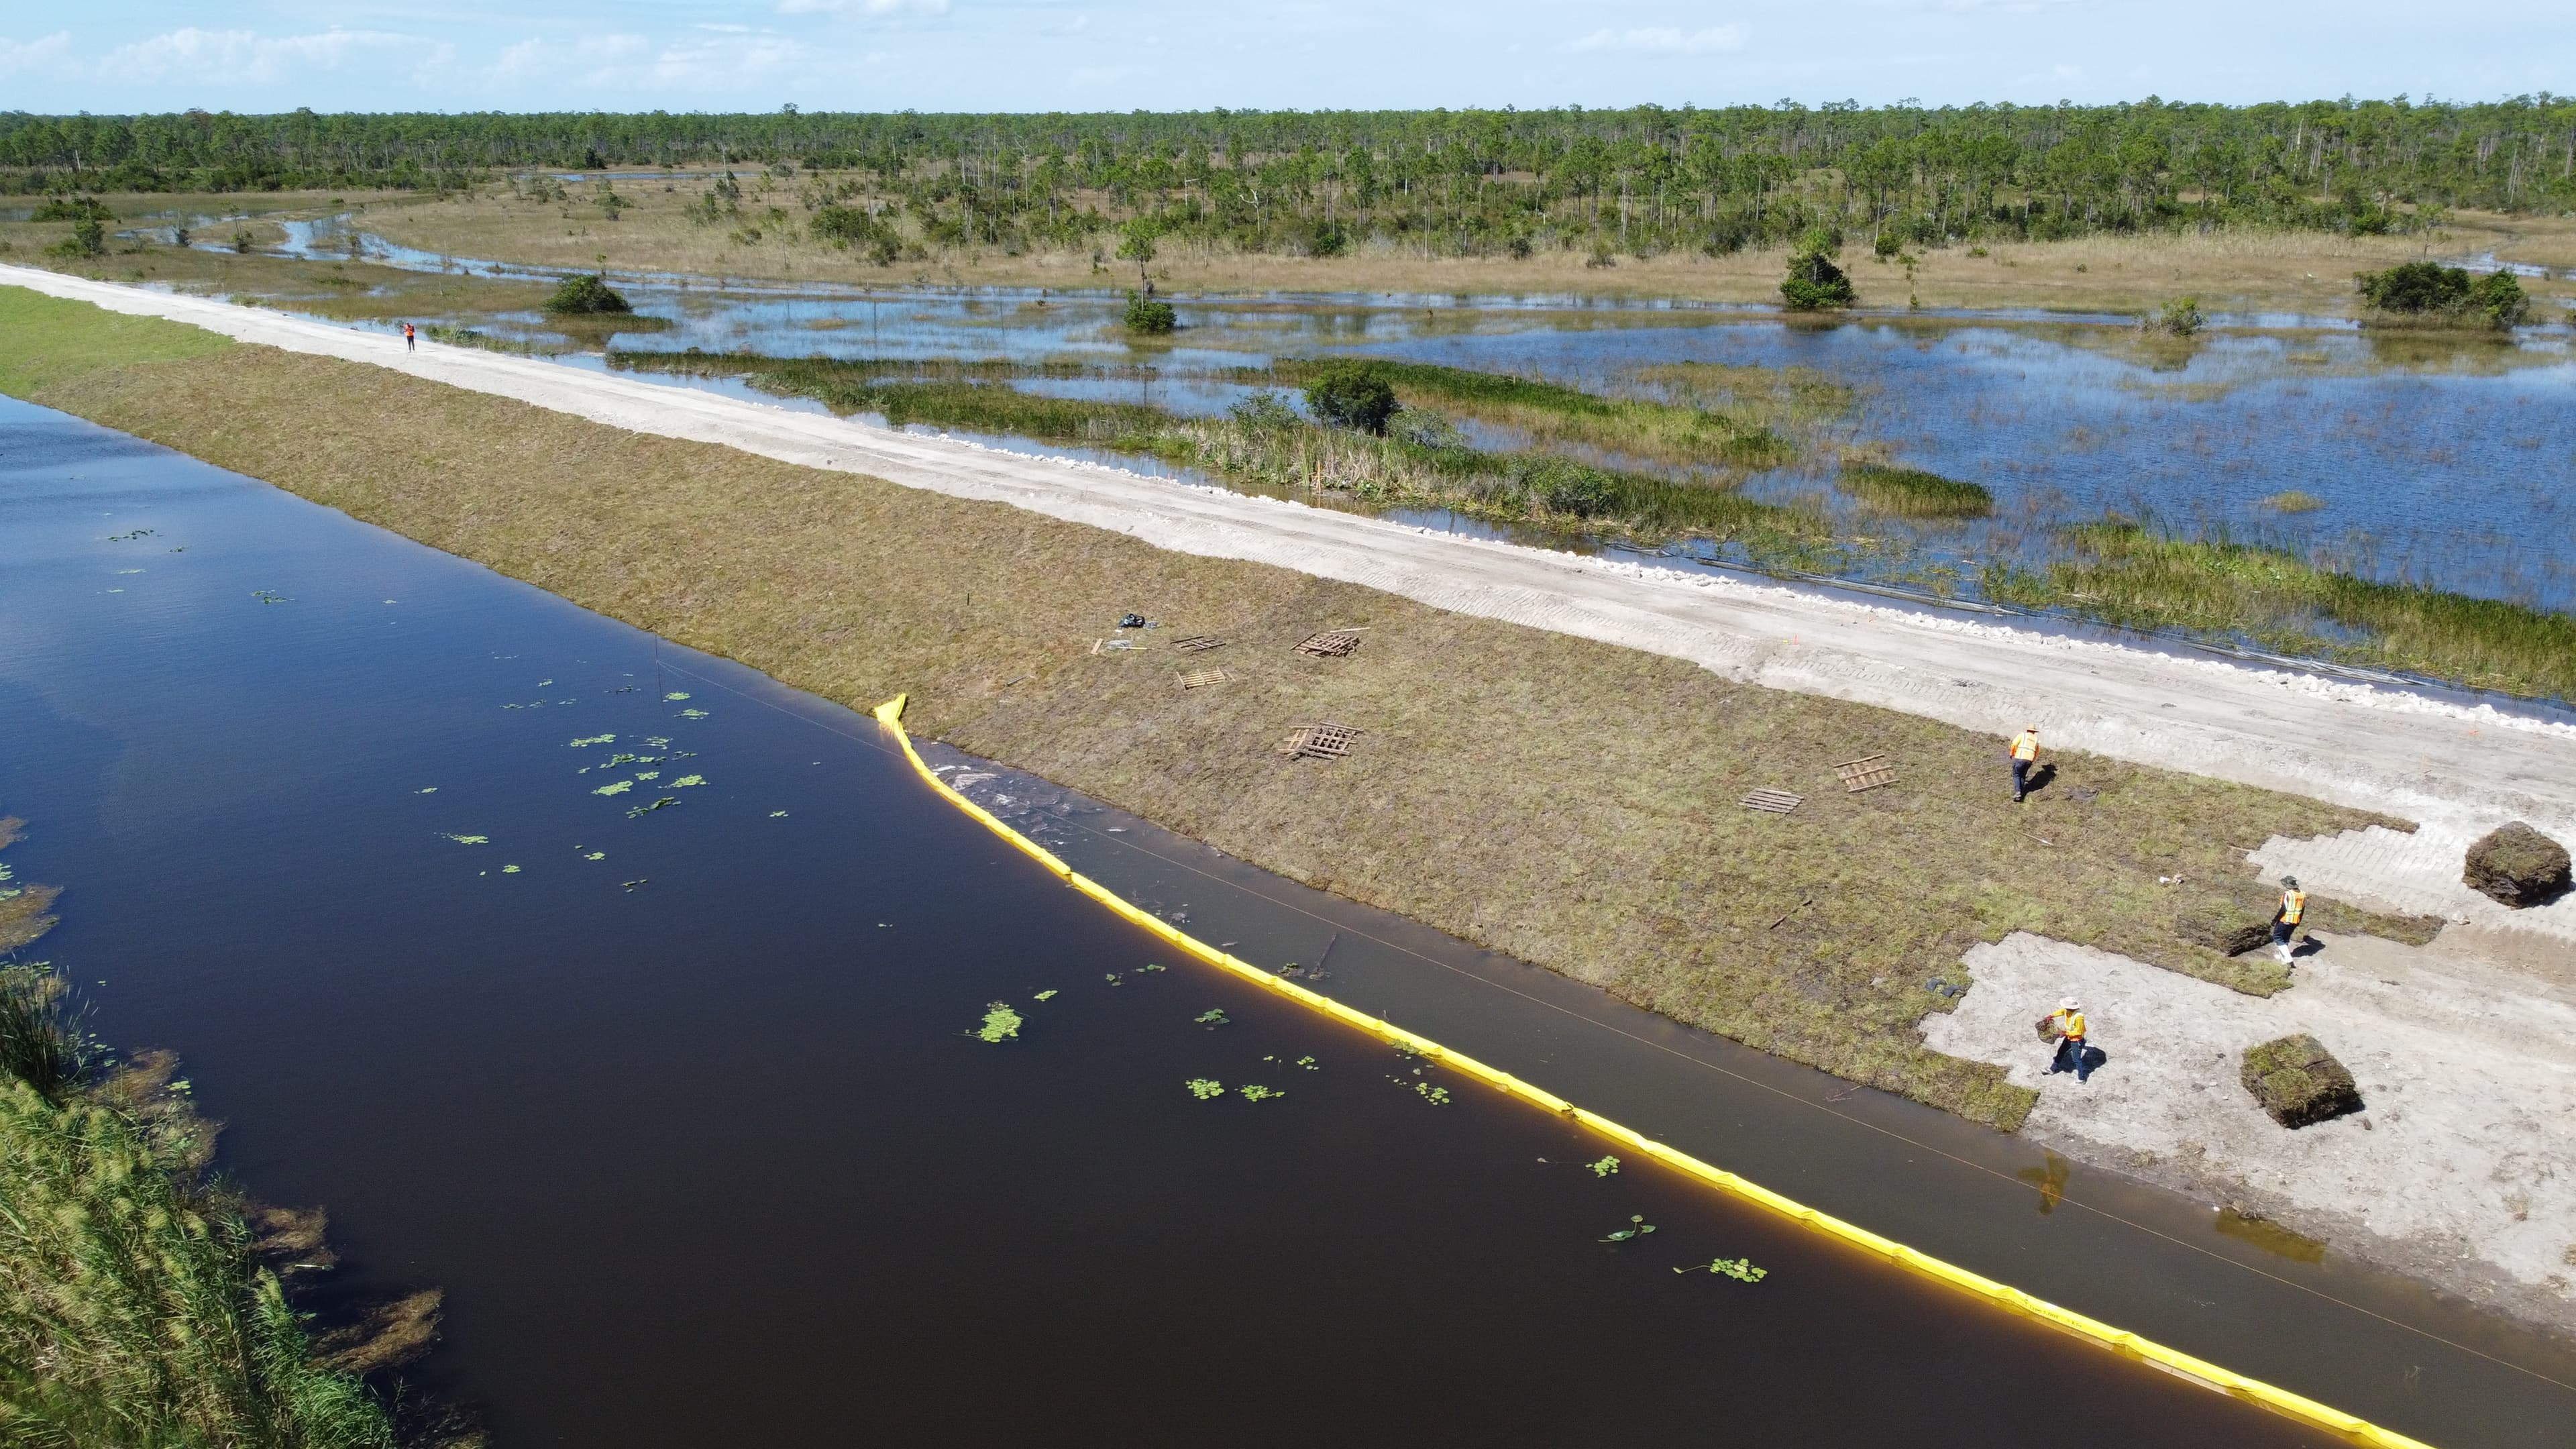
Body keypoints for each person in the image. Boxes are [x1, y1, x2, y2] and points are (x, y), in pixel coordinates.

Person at [2038, 996, 2091, 1082]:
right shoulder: (2067, 1011)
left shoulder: (2079, 1017)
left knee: (2076, 1060)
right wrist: (2051, 1016)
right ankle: (2052, 1069)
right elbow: (2062, 1011)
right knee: (2061, 1051)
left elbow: (2079, 1031)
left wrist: (2066, 1033)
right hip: (2069, 1037)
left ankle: (2081, 1079)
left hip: (2076, 1040)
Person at [2272, 875, 2308, 965]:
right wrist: (2299, 921)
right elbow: (2302, 909)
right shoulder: (2303, 894)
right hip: (2295, 920)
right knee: (2286, 938)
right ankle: (2282, 957)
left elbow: (2284, 909)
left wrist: (2275, 919)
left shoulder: (2288, 894)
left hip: (2285, 919)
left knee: (2277, 937)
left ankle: (2288, 959)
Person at [2007, 725, 2040, 802]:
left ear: (2028, 730)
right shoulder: (2036, 740)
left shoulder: (2023, 735)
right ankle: (2021, 794)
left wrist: (2012, 753)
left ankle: (2018, 792)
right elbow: (2036, 752)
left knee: (2016, 775)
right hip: (2029, 760)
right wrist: (2032, 760)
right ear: (2034, 732)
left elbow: (2014, 744)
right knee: (2022, 776)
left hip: (2020, 758)